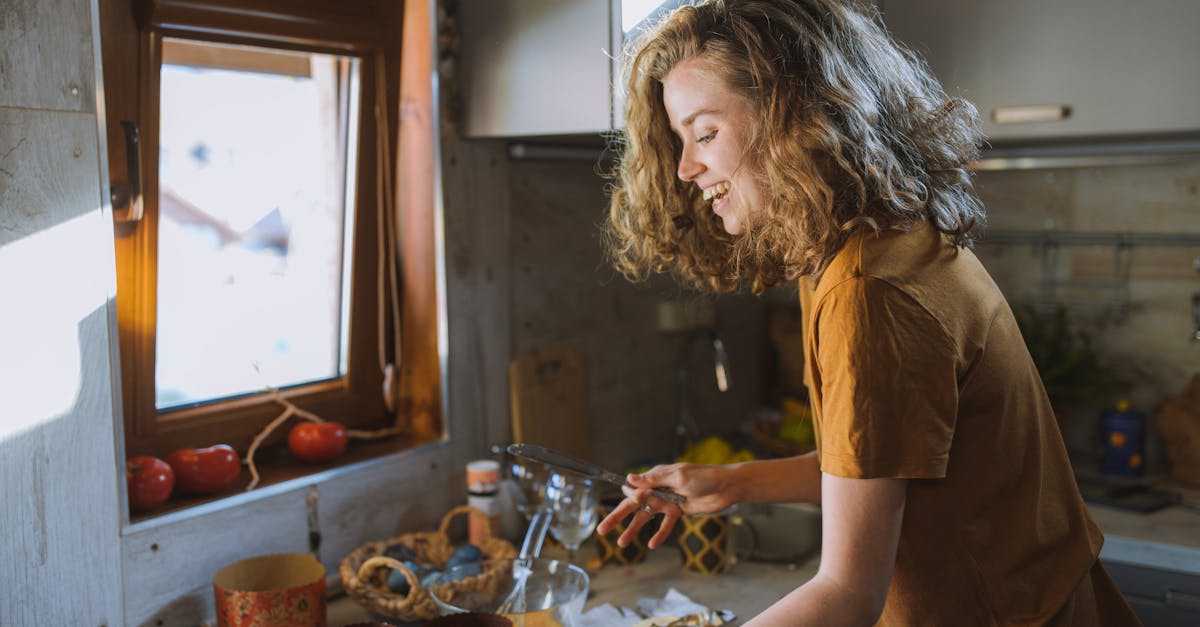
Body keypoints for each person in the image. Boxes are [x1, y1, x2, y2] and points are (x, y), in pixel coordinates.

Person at [596, 1, 1143, 625]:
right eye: (680, 139)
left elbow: (848, 595)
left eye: (706, 132)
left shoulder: (866, 292)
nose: (686, 168)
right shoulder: (866, 240)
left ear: (789, 115)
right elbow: (874, 461)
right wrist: (734, 483)